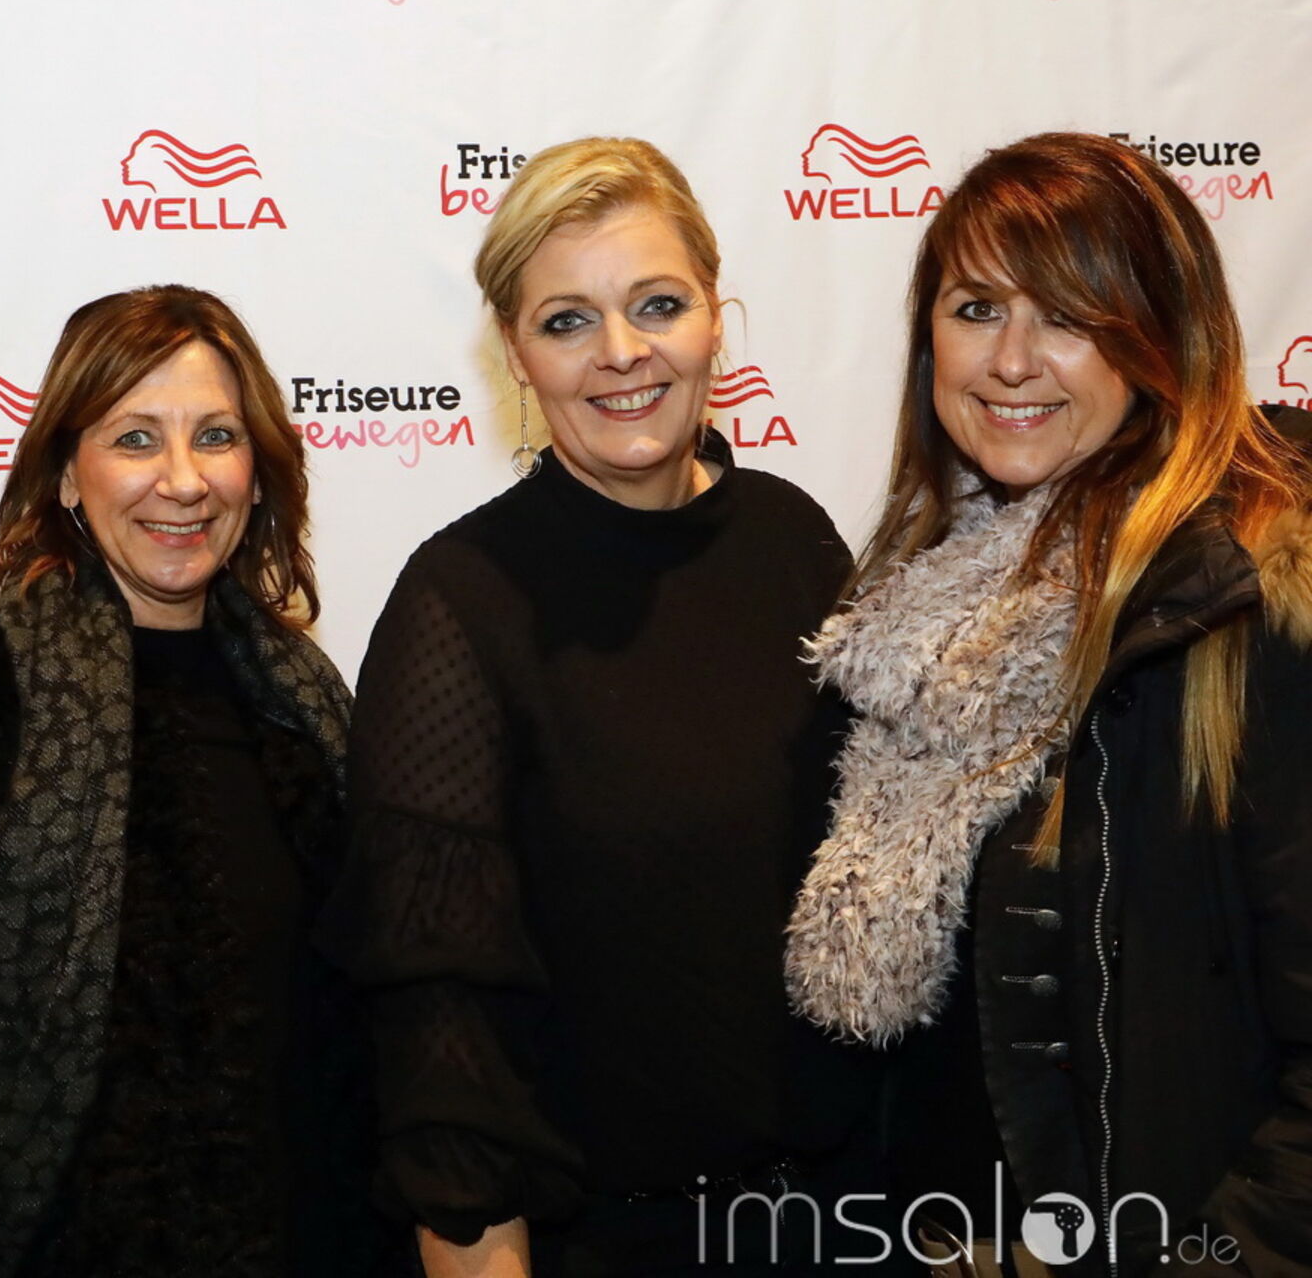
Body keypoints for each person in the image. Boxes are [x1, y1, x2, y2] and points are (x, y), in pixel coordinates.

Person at [319, 137, 882, 1276]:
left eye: (657, 304)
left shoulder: (796, 539)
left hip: (852, 1217)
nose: (622, 352)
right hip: (619, 1242)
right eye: (568, 320)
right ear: (516, 353)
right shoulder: (460, 601)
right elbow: (442, 1031)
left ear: (715, 315)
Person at [785, 131, 1312, 1275]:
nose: (1012, 360)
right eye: (977, 308)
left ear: (1159, 336)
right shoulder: (912, 604)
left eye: (1068, 315)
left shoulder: (1244, 604)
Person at [0, 285, 386, 1276]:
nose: (183, 481)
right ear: (64, 474)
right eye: (136, 439)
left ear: (258, 471)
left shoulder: (310, 707)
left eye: (216, 436)